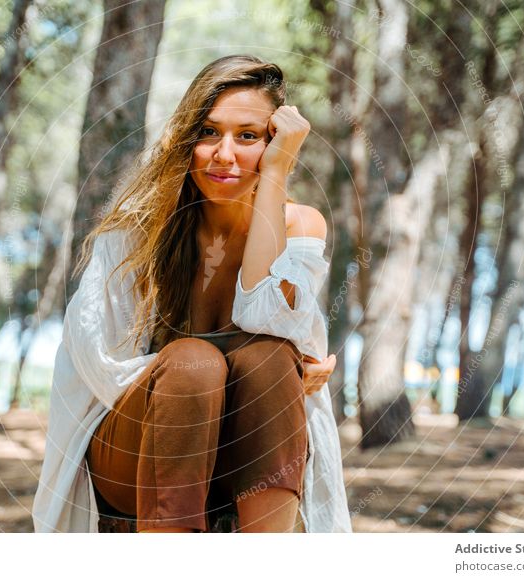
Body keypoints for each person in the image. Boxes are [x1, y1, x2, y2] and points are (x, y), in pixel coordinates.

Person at [32, 54, 351, 533]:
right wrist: (212, 376)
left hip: (235, 462)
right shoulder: (137, 233)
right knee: (192, 364)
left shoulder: (300, 225)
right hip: (130, 456)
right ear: (186, 139)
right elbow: (99, 362)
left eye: (248, 136)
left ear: (274, 142)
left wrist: (277, 175)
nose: (225, 154)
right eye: (208, 132)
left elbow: (269, 318)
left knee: (267, 357)